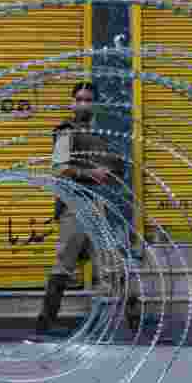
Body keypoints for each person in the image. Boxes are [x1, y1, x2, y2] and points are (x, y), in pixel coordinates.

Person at [35, 81, 127, 338]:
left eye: (88, 99)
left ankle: (117, 323)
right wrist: (91, 173)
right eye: (79, 99)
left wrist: (112, 171)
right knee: (64, 264)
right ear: (72, 103)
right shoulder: (67, 131)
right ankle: (45, 324)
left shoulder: (104, 135)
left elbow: (117, 167)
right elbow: (59, 168)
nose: (83, 104)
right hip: (75, 205)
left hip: (100, 205)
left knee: (110, 264)